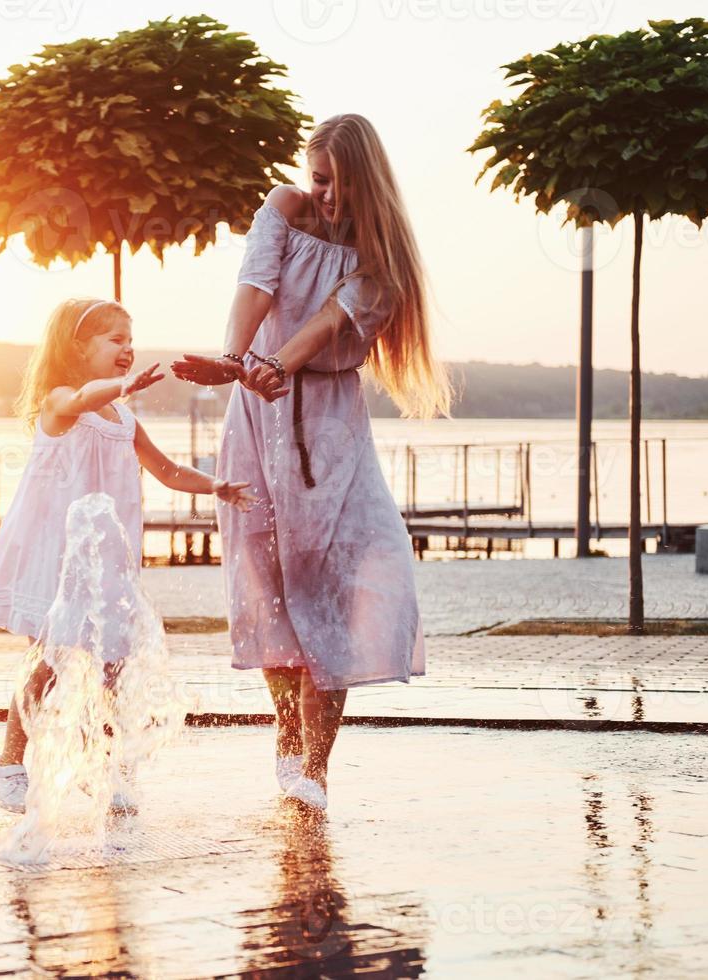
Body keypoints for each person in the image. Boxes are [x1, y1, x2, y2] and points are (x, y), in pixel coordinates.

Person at [172, 113, 453, 812]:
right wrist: (239, 361)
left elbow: (329, 322)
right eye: (317, 179)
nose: (323, 196)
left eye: (338, 184)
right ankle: (285, 729)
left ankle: (317, 768)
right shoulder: (283, 205)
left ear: (367, 183)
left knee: (341, 582)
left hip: (329, 424)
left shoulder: (383, 264)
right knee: (264, 579)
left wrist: (272, 365)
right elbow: (257, 283)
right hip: (255, 418)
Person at [0, 296, 256, 814]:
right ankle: (9, 763)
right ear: (77, 347)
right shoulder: (59, 403)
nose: (127, 349)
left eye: (131, 340)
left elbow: (168, 470)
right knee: (49, 660)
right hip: (53, 551)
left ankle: (98, 763)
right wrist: (119, 386)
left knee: (111, 665)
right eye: (115, 340)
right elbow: (85, 395)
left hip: (105, 557)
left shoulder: (124, 421)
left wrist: (216, 485)